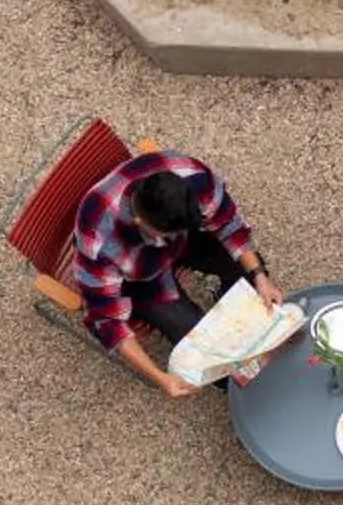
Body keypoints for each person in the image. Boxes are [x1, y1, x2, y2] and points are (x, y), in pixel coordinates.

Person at [65, 147, 282, 399]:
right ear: (140, 222)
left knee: (250, 277)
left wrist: (259, 276)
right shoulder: (98, 240)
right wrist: (161, 378)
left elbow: (229, 225)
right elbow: (107, 321)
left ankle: (235, 304)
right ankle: (236, 386)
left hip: (183, 240)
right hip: (140, 278)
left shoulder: (191, 176)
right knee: (200, 345)